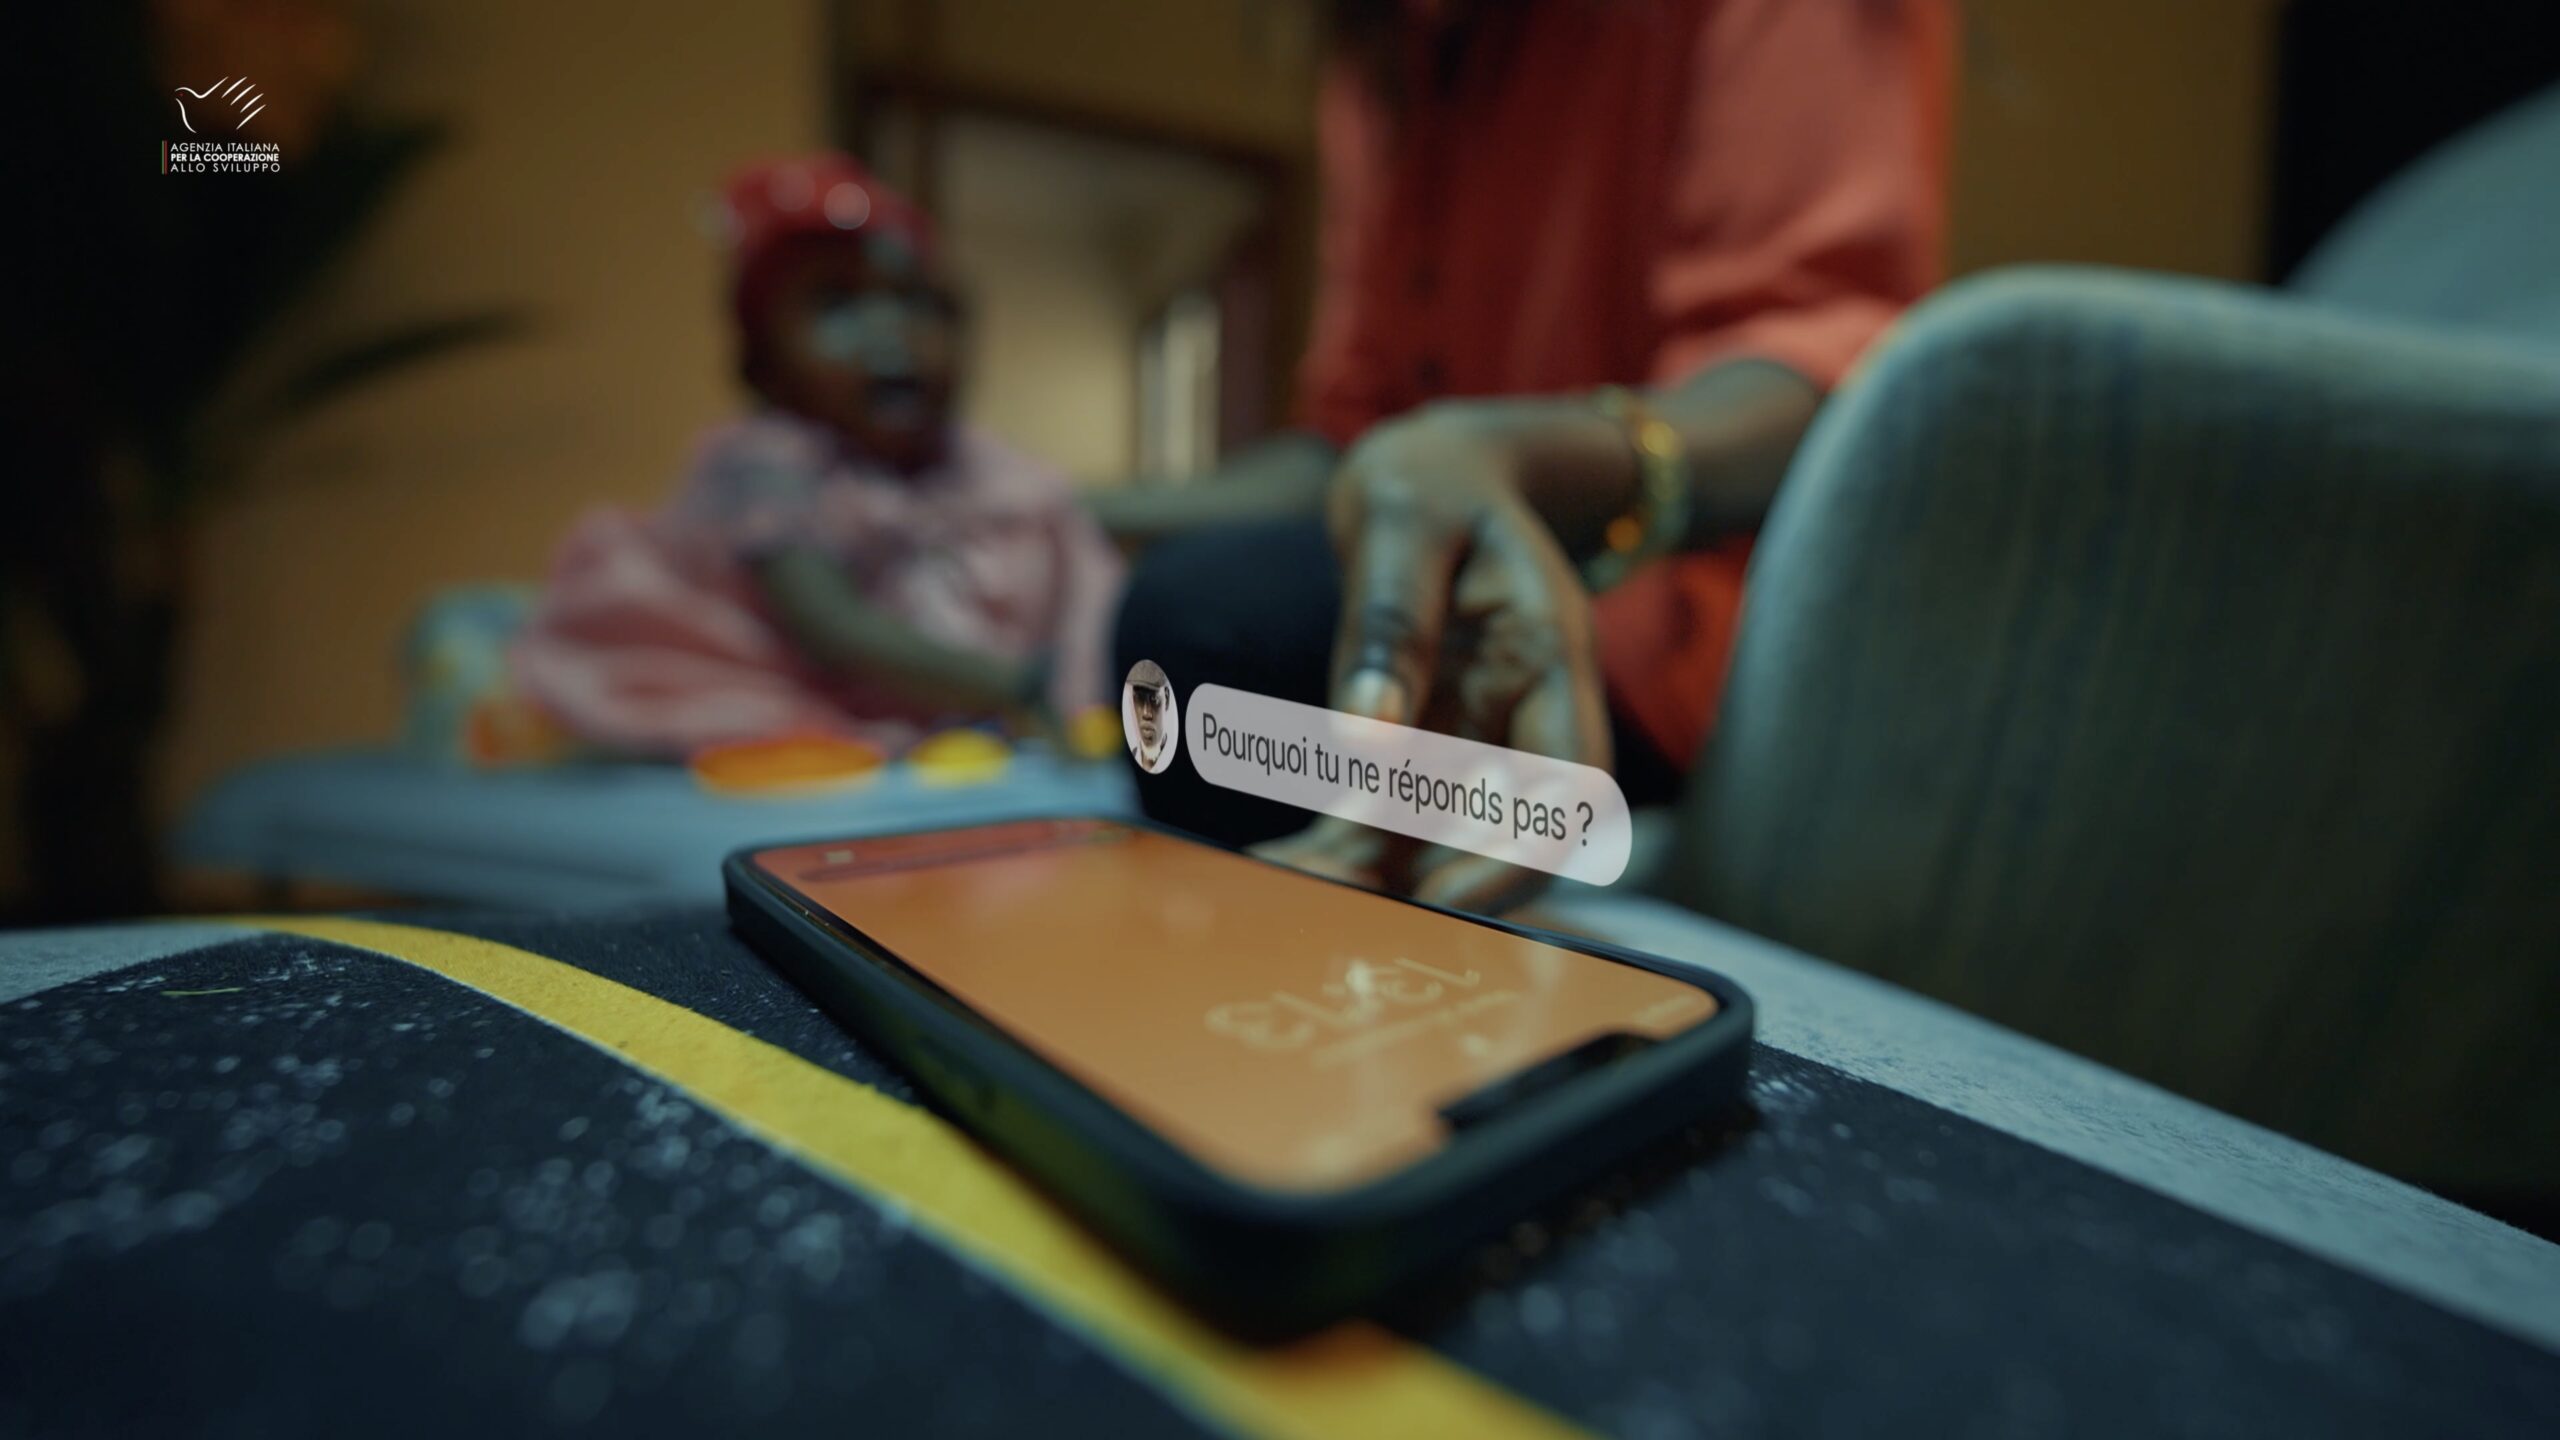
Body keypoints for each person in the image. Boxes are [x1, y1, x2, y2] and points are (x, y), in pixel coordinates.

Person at [1109, 0, 1951, 909]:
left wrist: (1520, 463)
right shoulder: (1383, 49)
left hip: (1674, 641)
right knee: (1180, 675)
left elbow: (1821, 367)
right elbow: (1353, 425)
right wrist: (1089, 509)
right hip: (1446, 577)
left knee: (1207, 642)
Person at [512, 154, 1123, 757]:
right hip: (772, 690)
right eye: (836, 305)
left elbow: (1064, 510)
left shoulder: (958, 463)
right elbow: (832, 628)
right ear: (762, 368)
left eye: (917, 302)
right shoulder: (766, 462)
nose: (891, 332)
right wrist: (1017, 687)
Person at [1122, 660, 1178, 774]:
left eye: (1154, 699)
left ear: (1167, 698)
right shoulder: (1125, 762)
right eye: (1139, 698)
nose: (1146, 713)